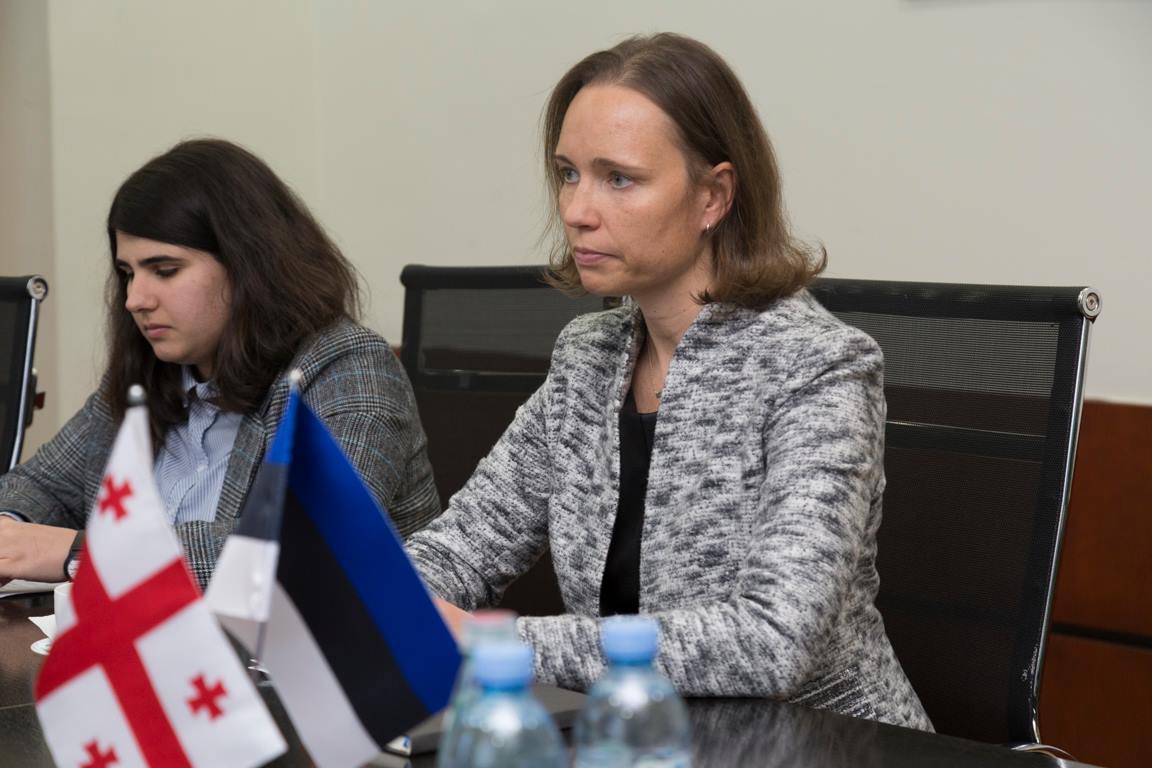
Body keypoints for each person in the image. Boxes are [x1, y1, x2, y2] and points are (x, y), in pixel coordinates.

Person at [407, 33, 932, 731]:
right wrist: (381, 603)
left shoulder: (819, 366)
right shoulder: (587, 358)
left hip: (825, 744)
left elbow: (773, 642)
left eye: (618, 179)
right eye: (568, 173)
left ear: (714, 196)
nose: (576, 210)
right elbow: (462, 547)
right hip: (645, 736)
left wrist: (493, 644)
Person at [0, 138, 440, 589]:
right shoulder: (148, 374)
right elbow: (41, 485)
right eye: (128, 273)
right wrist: (10, 530)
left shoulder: (349, 370)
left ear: (250, 264)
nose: (135, 299)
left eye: (165, 271)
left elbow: (306, 548)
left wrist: (82, 554)